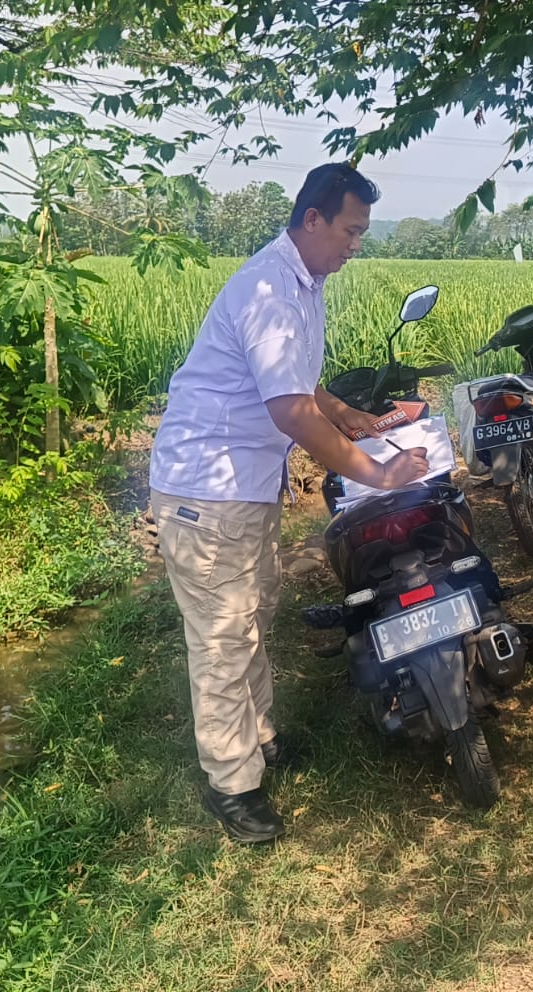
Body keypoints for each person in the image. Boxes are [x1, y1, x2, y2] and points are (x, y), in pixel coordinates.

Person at [149, 164, 429, 845]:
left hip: (244, 486)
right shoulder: (269, 289)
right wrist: (378, 473)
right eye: (350, 231)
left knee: (252, 613)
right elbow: (292, 414)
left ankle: (259, 736)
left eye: (361, 233)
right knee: (222, 636)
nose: (355, 245)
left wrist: (346, 412)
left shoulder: (306, 282)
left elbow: (301, 386)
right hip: (207, 491)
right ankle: (233, 783)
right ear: (312, 220)